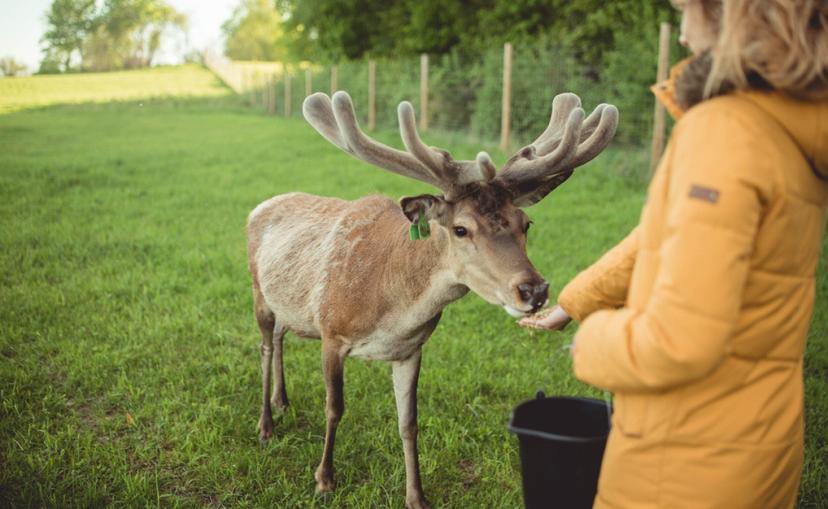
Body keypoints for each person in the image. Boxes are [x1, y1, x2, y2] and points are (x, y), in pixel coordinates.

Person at [519, 0, 828, 507]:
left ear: (734, 15)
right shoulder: (788, 129)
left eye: (687, 11)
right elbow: (661, 238)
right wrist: (574, 304)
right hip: (761, 447)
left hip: (683, 465)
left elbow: (680, 341)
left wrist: (592, 343)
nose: (683, 34)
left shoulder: (725, 131)